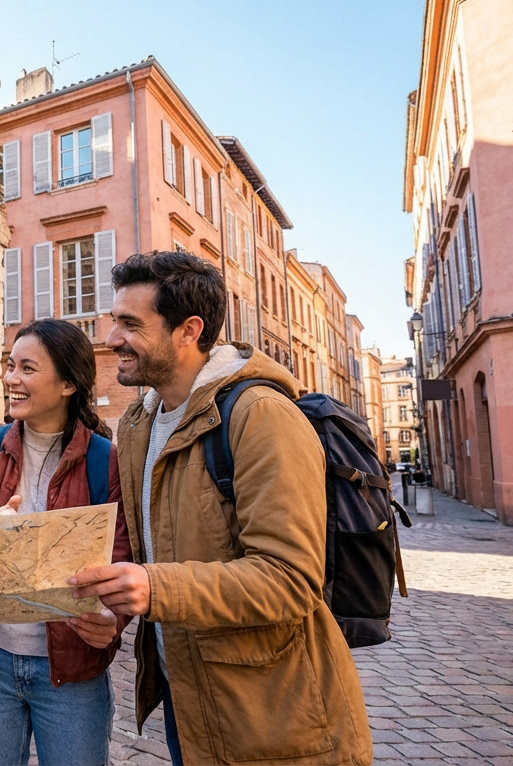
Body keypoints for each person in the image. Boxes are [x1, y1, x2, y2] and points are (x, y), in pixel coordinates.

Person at [70, 251, 373, 765]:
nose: (112, 337)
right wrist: (114, 609)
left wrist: (155, 588)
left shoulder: (262, 415)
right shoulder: (139, 424)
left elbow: (290, 578)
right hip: (187, 698)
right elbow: (151, 551)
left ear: (189, 331)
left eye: (130, 324)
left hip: (273, 714)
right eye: (114, 320)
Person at [0, 318, 133, 766]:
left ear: (68, 384)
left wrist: (113, 619)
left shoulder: (106, 461)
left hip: (72, 669)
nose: (12, 379)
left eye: (27, 369)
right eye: (10, 366)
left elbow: (121, 557)